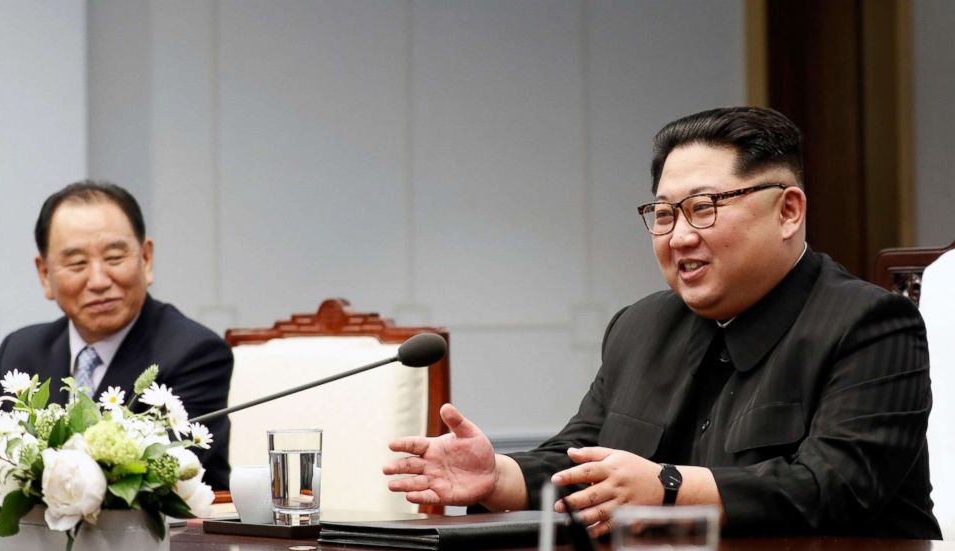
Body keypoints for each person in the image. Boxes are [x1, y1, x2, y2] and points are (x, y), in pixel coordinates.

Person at [383, 107, 941, 539]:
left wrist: (669, 487)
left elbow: (835, 488)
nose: (679, 237)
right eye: (665, 214)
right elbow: (582, 459)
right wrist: (498, 476)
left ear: (788, 211)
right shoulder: (640, 326)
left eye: (703, 208)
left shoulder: (871, 324)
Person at [0, 181, 233, 490]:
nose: (98, 280)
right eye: (77, 263)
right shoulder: (20, 351)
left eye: (114, 258)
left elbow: (166, 474)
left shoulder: (195, 352)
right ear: (45, 274)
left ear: (146, 259)